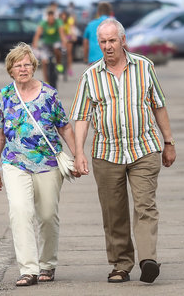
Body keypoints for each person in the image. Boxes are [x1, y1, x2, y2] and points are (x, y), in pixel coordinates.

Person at [70, 18, 176, 284]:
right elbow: (81, 117)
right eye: (103, 42)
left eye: (112, 41)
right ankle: (121, 264)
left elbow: (158, 105)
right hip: (107, 153)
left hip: (144, 148)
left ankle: (147, 259)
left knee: (145, 205)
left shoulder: (144, 67)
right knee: (113, 212)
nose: (108, 46)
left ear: (123, 40)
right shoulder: (90, 76)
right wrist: (79, 153)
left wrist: (169, 142)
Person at [0, 42, 78, 287]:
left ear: (34, 66)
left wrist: (78, 155)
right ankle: (28, 269)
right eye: (18, 65)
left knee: (48, 215)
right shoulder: (4, 96)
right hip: (15, 162)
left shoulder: (49, 94)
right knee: (20, 211)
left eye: (27, 64)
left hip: (47, 162)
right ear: (10, 70)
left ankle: (47, 263)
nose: (23, 69)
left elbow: (65, 127)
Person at [33, 9, 66, 84]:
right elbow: (37, 35)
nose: (51, 20)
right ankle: (46, 80)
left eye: (52, 18)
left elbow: (62, 34)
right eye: (49, 18)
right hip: (46, 44)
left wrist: (64, 42)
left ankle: (59, 63)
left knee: (57, 49)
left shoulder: (58, 22)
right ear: (47, 17)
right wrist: (35, 44)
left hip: (55, 42)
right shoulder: (43, 23)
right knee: (44, 61)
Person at [58, 10, 76, 76]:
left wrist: (73, 36)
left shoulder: (70, 20)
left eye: (64, 16)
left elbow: (72, 29)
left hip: (68, 35)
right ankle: (59, 65)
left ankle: (69, 68)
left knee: (69, 52)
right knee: (58, 51)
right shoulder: (59, 21)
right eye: (62, 16)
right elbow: (60, 31)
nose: (63, 18)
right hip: (61, 36)